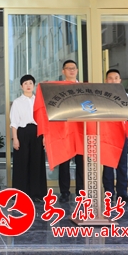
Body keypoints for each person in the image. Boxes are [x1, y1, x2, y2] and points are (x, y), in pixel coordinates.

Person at [10, 74, 47, 203]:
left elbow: (43, 120)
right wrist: (15, 138)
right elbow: (14, 122)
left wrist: (44, 136)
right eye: (25, 83)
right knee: (22, 163)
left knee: (37, 163)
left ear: (34, 85)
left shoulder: (39, 101)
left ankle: (36, 193)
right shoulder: (17, 102)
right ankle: (21, 194)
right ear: (21, 86)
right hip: (23, 133)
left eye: (30, 83)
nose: (28, 86)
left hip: (37, 132)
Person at [101, 69, 128, 203]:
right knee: (108, 165)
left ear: (120, 80)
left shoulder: (126, 96)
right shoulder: (100, 96)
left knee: (122, 165)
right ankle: (109, 193)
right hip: (106, 134)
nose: (113, 80)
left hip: (121, 134)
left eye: (116, 78)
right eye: (110, 78)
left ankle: (122, 193)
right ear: (106, 80)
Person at [56, 60, 84, 203]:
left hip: (80, 130)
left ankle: (81, 192)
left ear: (77, 71)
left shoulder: (84, 88)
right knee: (64, 163)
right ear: (63, 71)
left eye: (74, 68)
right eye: (68, 68)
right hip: (64, 131)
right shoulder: (58, 89)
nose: (72, 70)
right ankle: (64, 192)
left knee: (81, 163)